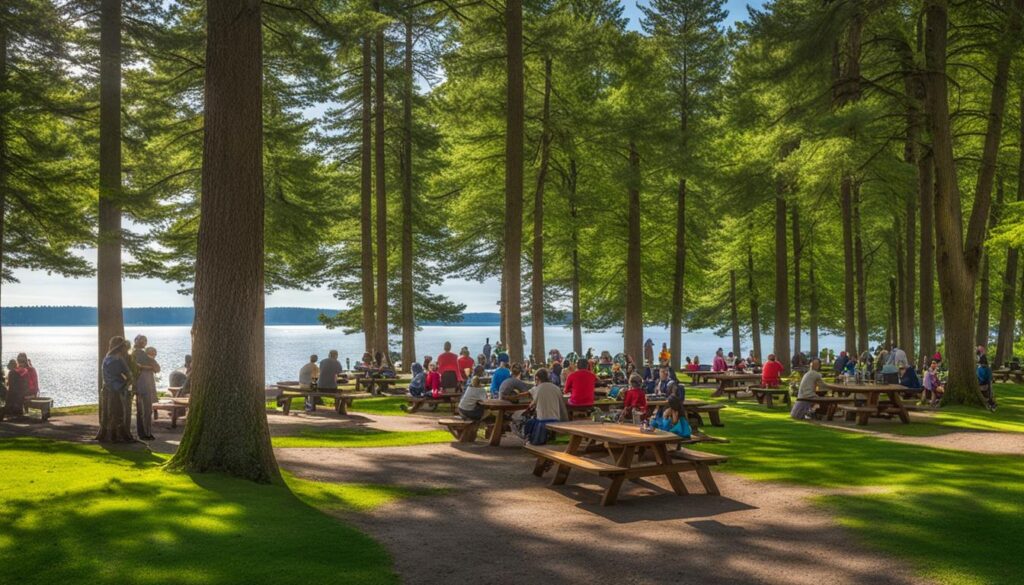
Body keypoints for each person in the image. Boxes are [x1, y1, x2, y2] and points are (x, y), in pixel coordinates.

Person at [130, 336, 159, 440]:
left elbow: (156, 368)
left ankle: (143, 433)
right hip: (143, 386)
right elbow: (156, 367)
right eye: (142, 340)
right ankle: (146, 433)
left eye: (145, 340)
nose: (144, 342)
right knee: (145, 411)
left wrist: (144, 367)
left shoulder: (137, 354)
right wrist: (149, 367)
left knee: (142, 411)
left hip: (141, 385)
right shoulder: (140, 354)